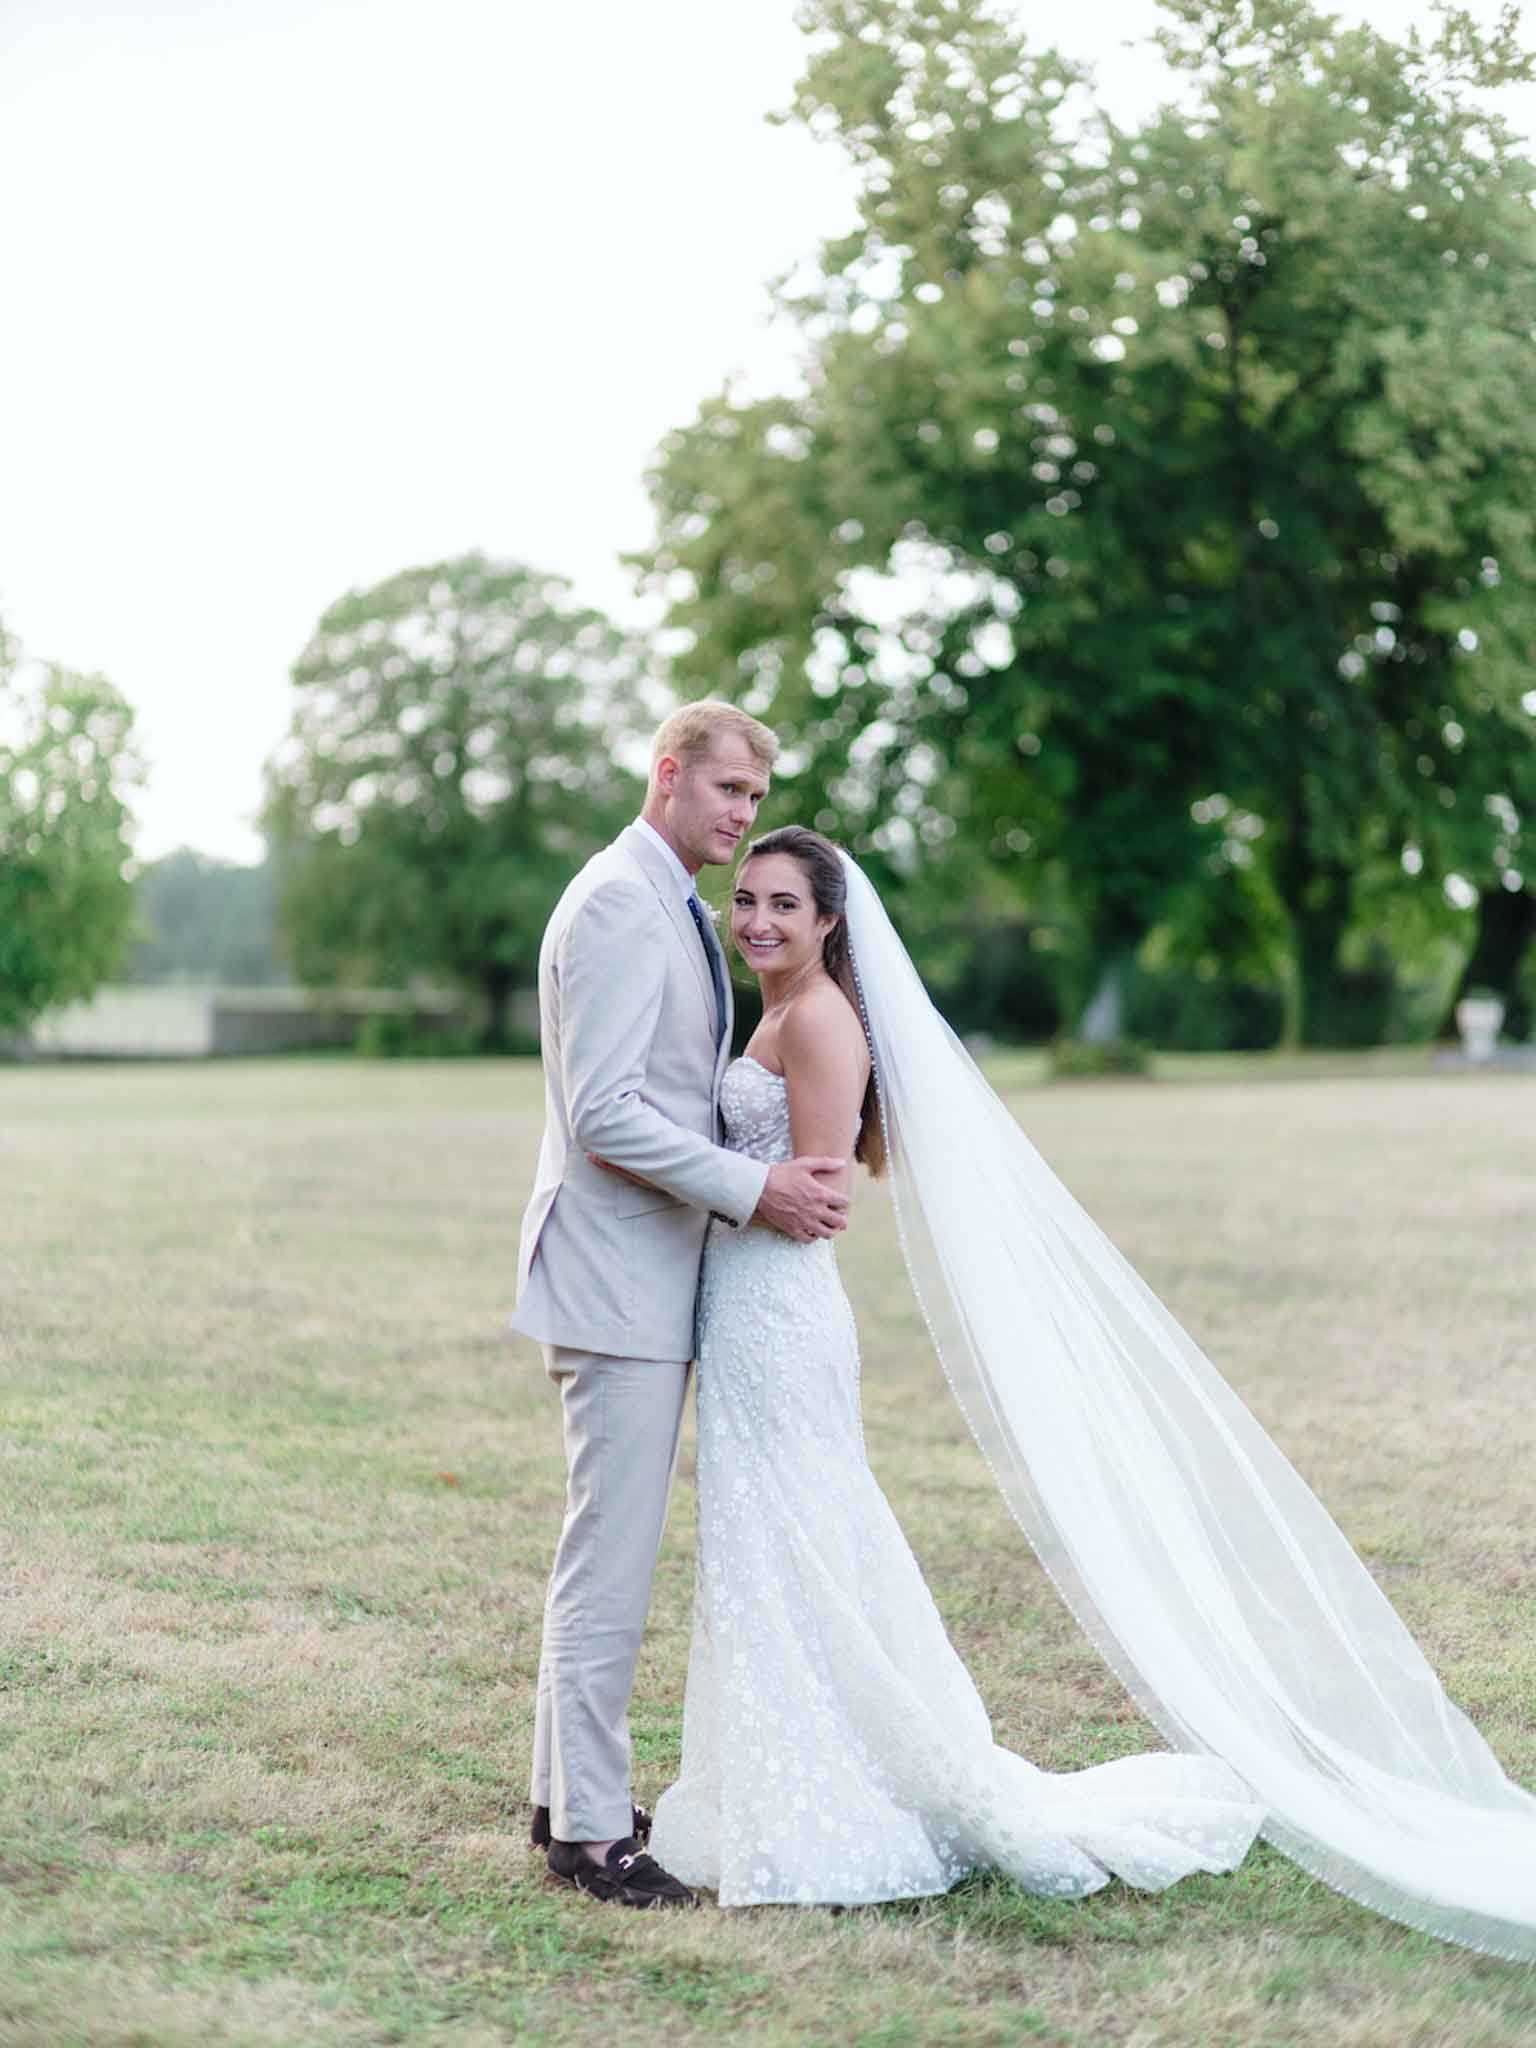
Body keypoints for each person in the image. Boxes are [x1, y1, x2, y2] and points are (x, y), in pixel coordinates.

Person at [646, 826, 1536, 1960]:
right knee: (772, 1544)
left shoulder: (818, 1018)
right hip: (747, 1313)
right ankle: (784, 1775)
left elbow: (821, 1196)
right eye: (745, 900)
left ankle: (837, 1788)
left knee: (799, 1540)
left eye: (783, 903)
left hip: (781, 1315)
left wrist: (702, 1182)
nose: (758, 919)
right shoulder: (773, 1009)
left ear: (830, 921)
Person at [511, 708, 852, 1910]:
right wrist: (753, 1184)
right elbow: (605, 1110)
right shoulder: (617, 899)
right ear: (669, 774)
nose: (743, 813)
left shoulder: (666, 896)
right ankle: (596, 1838)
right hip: (614, 1279)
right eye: (729, 788)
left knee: (603, 1553)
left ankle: (569, 1803)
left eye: (757, 797)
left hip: (649, 1276)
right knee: (608, 1562)